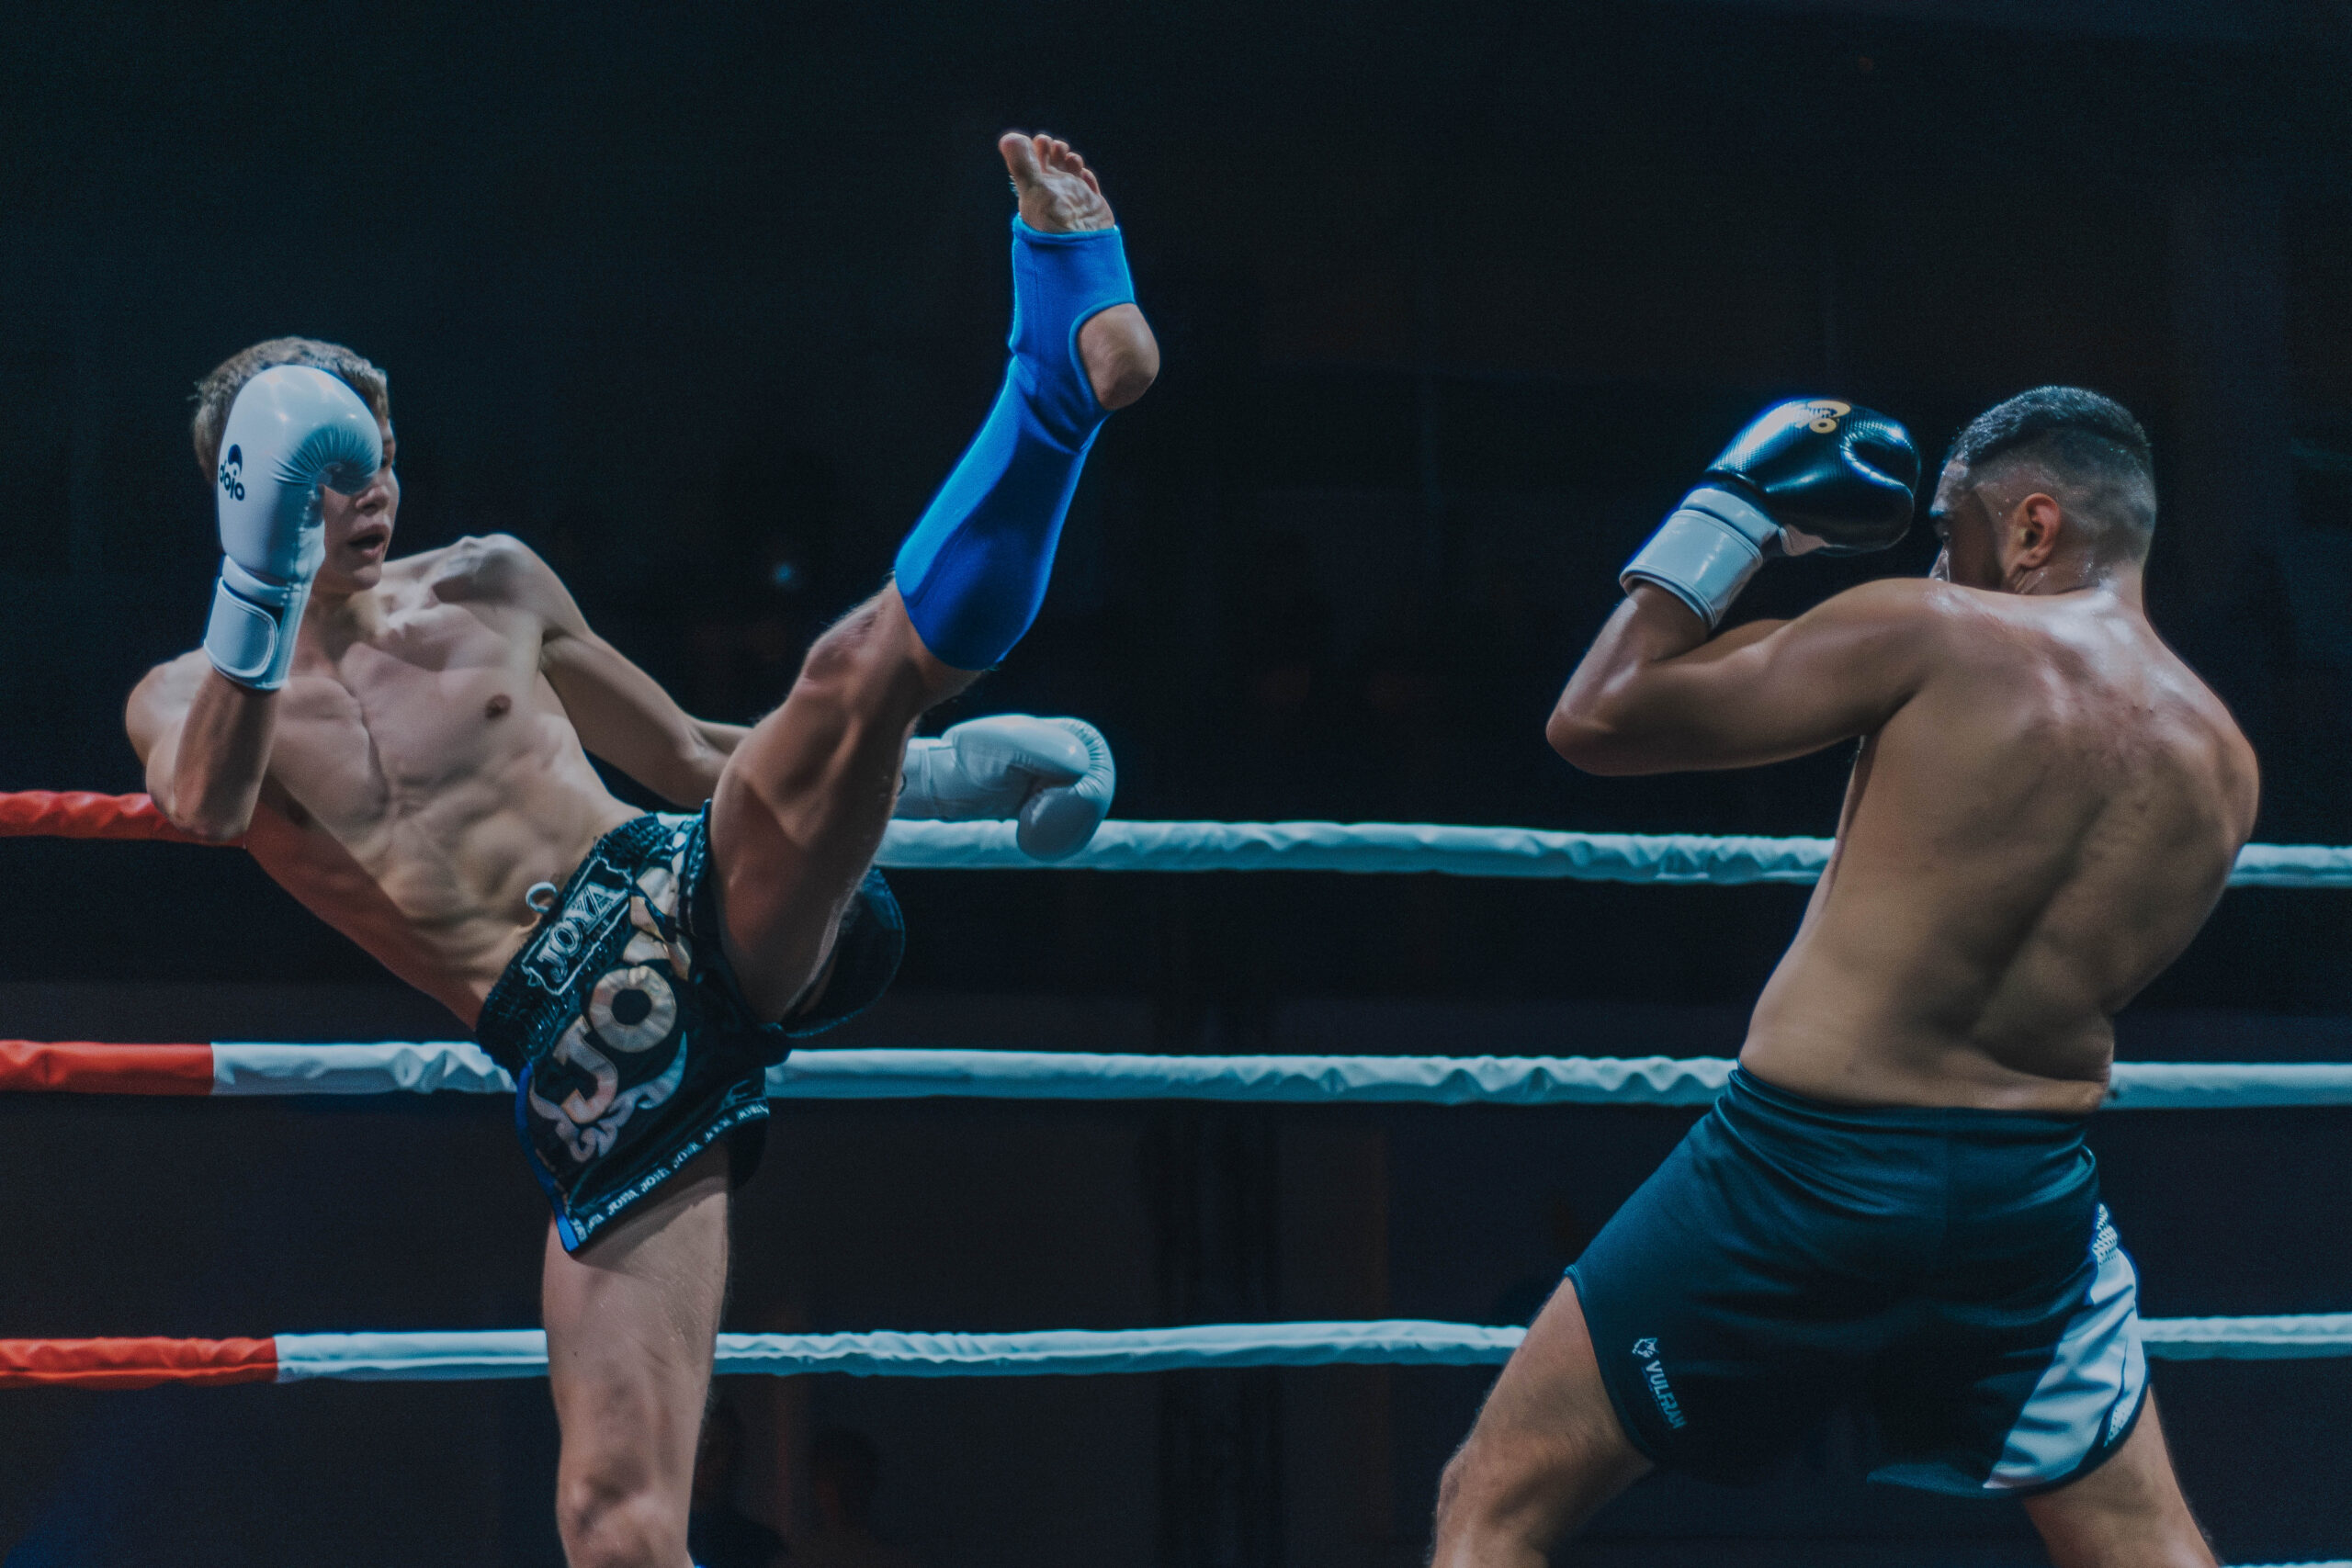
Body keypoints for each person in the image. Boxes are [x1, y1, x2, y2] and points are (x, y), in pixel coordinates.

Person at [126, 130, 1157, 1568]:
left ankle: (1058, 378)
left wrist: (941, 783)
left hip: (681, 890)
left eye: (381, 462)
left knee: (847, 670)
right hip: (583, 1063)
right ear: (256, 495)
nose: (371, 497)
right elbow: (205, 804)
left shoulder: (490, 580)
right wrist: (259, 582)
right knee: (613, 1528)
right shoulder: (192, 692)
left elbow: (687, 752)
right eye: (332, 475)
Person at [1430, 389, 2256, 1568]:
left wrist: (1731, 515)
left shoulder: (1932, 632)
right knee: (2148, 1546)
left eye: (1950, 530)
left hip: (1800, 1170)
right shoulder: (2223, 759)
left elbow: (1598, 715)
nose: (1938, 562)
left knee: (1495, 1502)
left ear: (2032, 528)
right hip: (2024, 1203)